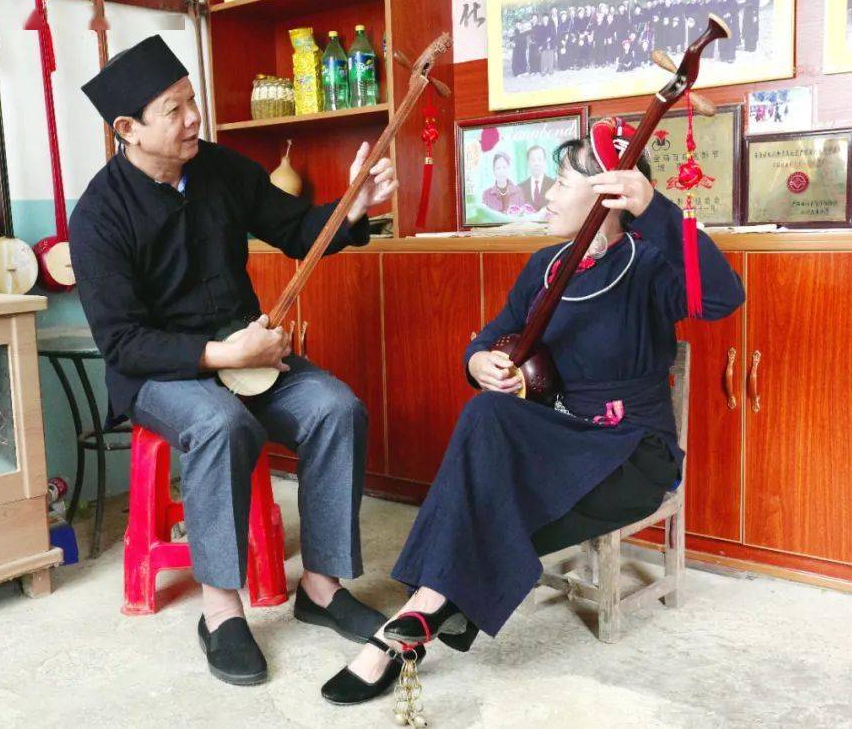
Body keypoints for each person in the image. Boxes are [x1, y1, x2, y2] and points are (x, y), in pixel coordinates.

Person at [319, 127, 744, 705]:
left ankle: (412, 619)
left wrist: (654, 207)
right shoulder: (546, 266)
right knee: (487, 411)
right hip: (556, 442)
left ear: (606, 196)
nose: (545, 195)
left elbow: (722, 298)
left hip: (630, 452)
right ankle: (423, 613)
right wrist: (479, 362)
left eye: (560, 183)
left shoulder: (651, 264)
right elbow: (492, 336)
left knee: (478, 512)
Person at [70, 35, 397, 687]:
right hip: (159, 373)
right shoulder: (98, 215)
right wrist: (223, 353)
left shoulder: (221, 168)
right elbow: (123, 343)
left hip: (248, 354)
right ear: (128, 129)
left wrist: (353, 208)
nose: (194, 117)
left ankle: (322, 587)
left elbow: (298, 229)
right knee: (221, 424)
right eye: (174, 109)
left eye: (192, 100)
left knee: (336, 409)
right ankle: (221, 610)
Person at [518, 145, 555, 211]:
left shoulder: (554, 185)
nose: (536, 163)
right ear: (528, 163)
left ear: (544, 161)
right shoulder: (520, 188)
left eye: (539, 159)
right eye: (533, 160)